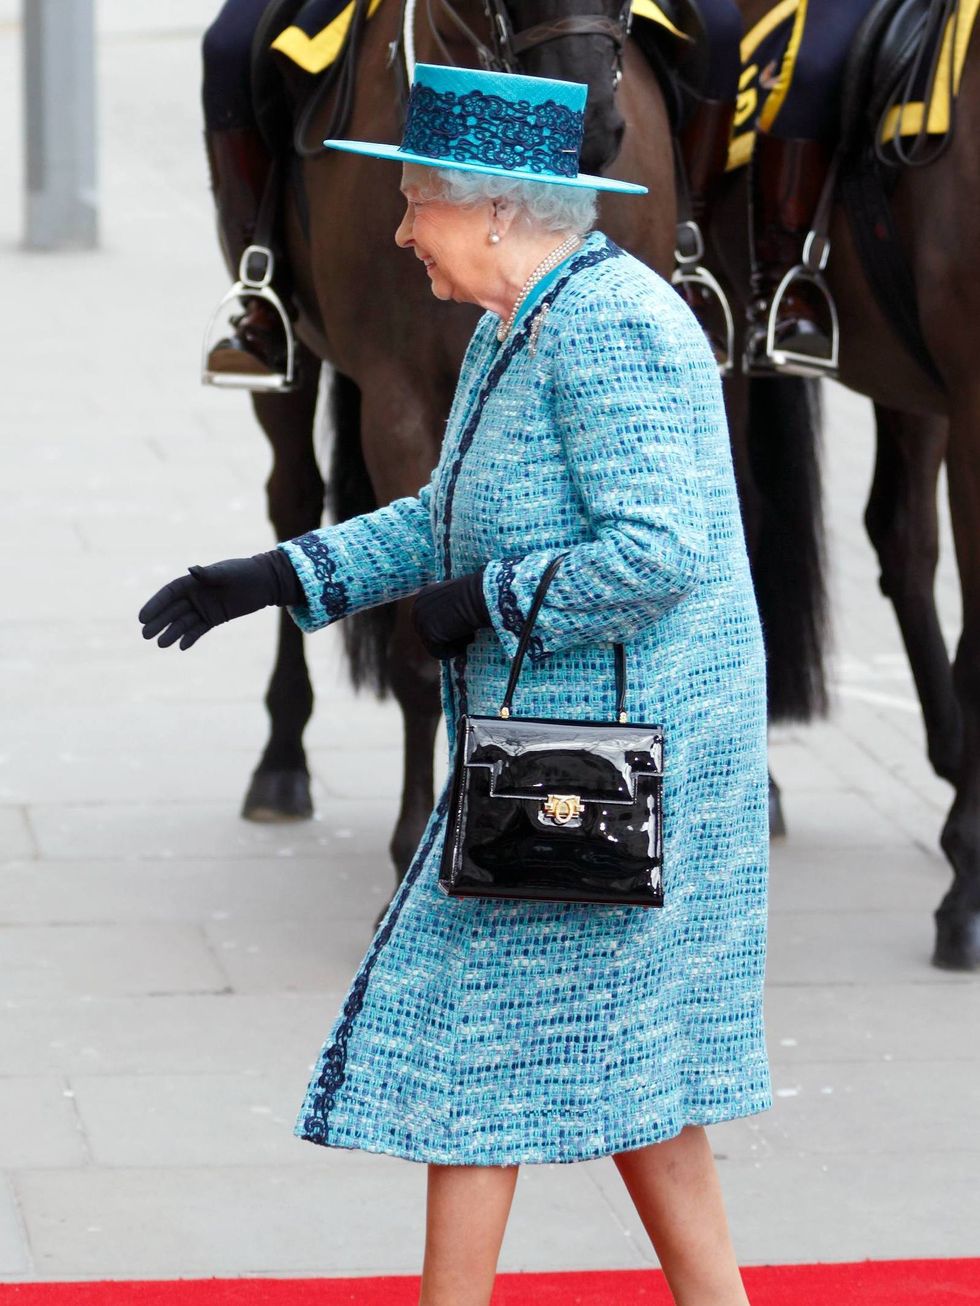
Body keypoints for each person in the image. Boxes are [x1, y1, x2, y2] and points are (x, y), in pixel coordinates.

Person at [141, 63, 771, 1306]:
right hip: (565, 752)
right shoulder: (514, 323)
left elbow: (658, 551)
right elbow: (446, 518)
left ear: (493, 210)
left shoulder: (615, 325)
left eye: (413, 202)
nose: (395, 232)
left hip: (605, 769)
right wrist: (272, 573)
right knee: (612, 1063)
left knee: (473, 1047)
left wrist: (478, 604)